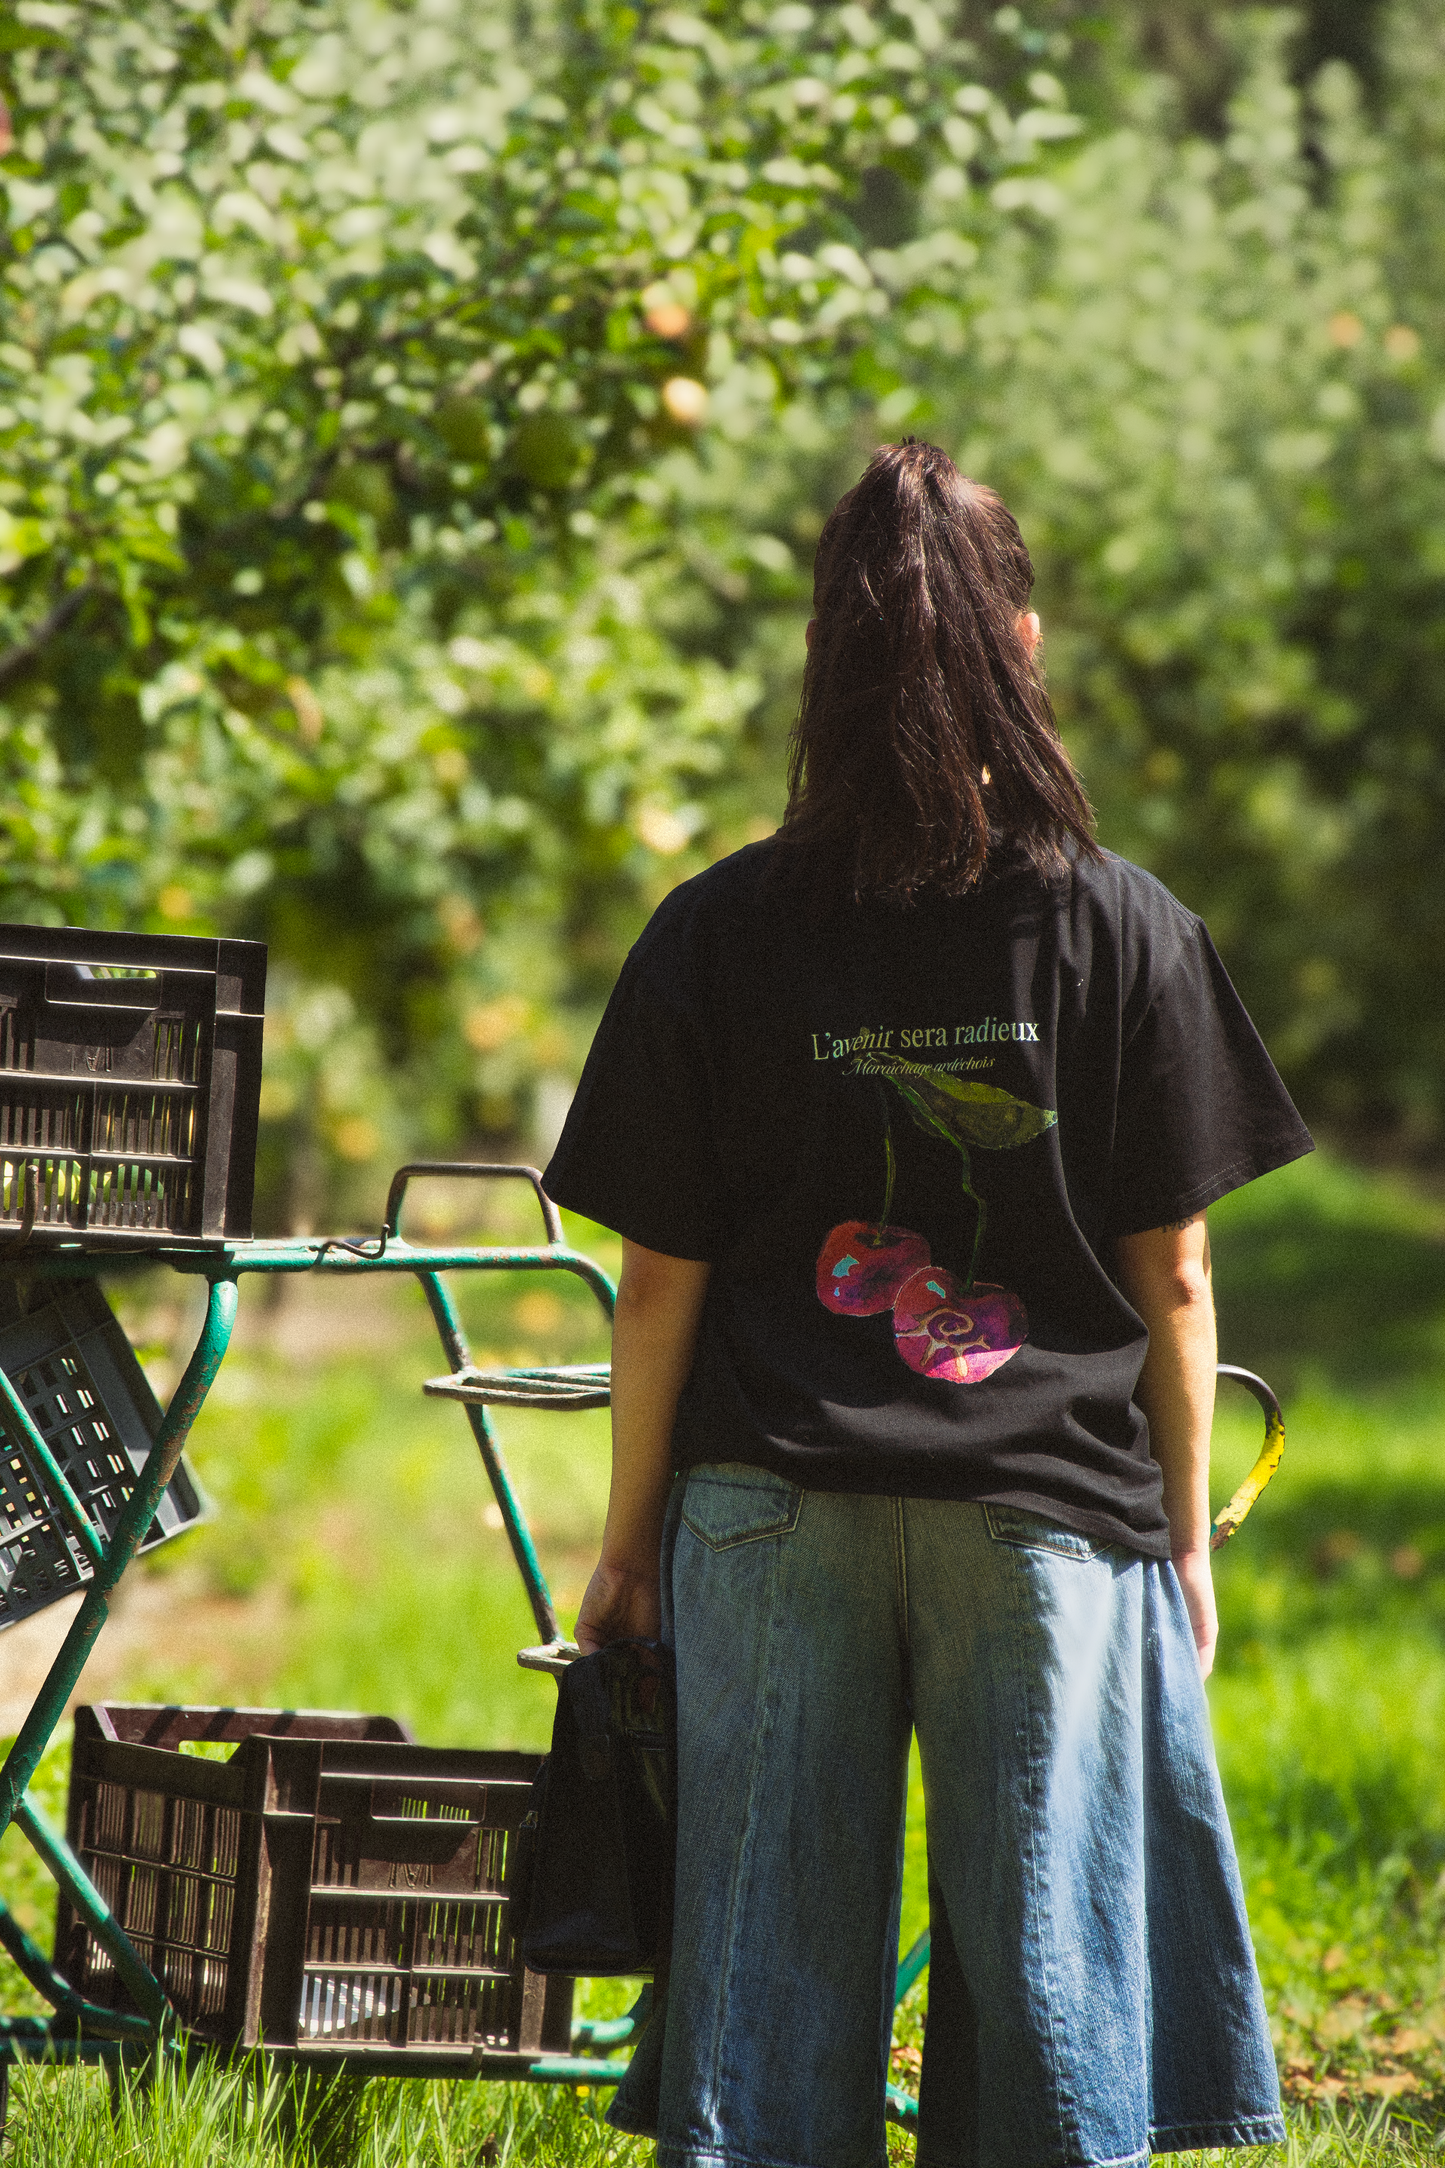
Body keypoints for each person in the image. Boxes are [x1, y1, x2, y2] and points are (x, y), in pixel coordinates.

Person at [542, 440, 1310, 2168]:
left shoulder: (713, 931)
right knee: (1045, 1990)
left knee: (761, 1994)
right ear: (1022, 646)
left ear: (828, 658)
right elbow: (1173, 1272)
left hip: (765, 1508)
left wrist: (629, 1544)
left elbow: (656, 1276)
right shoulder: (1126, 929)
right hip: (1042, 1522)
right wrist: (1180, 1538)